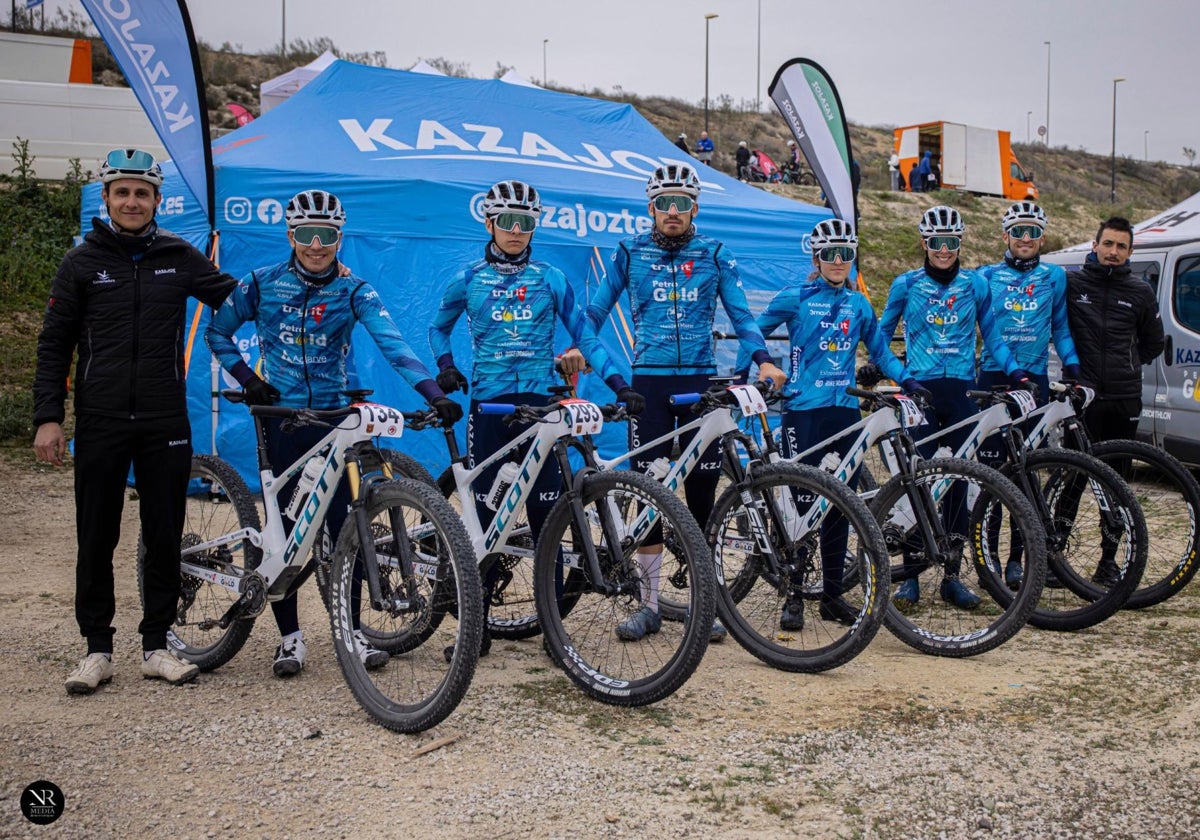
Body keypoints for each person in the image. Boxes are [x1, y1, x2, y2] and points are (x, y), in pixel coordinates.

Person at [205, 189, 462, 677]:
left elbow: (394, 345)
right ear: (291, 235)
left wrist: (433, 393)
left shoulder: (354, 289)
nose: (317, 245)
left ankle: (354, 633)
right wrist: (250, 380)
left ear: (340, 237)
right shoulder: (261, 283)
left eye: (327, 235)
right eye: (306, 235)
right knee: (283, 533)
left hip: (331, 420)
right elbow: (216, 333)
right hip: (279, 419)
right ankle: (290, 639)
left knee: (347, 530)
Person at [34, 148, 238, 694]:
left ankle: (156, 646)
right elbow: (54, 344)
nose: (131, 201)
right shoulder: (81, 262)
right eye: (121, 192)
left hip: (163, 417)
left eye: (141, 193)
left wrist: (307, 278)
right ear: (106, 199)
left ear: (156, 201)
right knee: (96, 536)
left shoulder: (179, 254)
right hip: (100, 419)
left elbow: (235, 298)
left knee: (165, 533)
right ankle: (96, 649)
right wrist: (48, 417)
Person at [430, 179, 644, 660]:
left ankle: (552, 630)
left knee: (548, 518)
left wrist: (619, 384)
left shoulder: (551, 277)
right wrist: (446, 366)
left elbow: (586, 336)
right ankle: (475, 628)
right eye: (507, 221)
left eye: (525, 222)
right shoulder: (468, 278)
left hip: (541, 411)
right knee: (486, 521)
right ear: (489, 222)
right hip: (490, 410)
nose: (516, 231)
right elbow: (436, 326)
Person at [586, 164, 787, 642]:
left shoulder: (715, 254)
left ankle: (703, 604)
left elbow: (742, 315)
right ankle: (650, 605)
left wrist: (763, 358)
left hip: (699, 386)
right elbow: (592, 312)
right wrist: (582, 350)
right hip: (648, 388)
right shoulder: (629, 252)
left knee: (701, 496)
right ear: (650, 207)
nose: (672, 212)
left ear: (695, 208)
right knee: (648, 496)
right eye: (663, 203)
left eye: (681, 203)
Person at [735, 219, 927, 630]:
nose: (838, 261)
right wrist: (749, 373)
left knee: (840, 505)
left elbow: (880, 351)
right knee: (802, 505)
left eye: (846, 254)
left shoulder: (859, 303)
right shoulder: (797, 296)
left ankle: (833, 594)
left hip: (844, 413)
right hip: (802, 413)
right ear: (816, 257)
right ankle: (794, 595)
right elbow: (751, 331)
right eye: (830, 254)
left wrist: (907, 380)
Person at [879, 205, 1032, 610]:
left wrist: (1016, 373)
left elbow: (994, 339)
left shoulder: (975, 284)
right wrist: (903, 379)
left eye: (951, 243)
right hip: (920, 393)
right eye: (936, 243)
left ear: (960, 242)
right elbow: (878, 340)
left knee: (961, 483)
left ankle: (952, 575)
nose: (943, 250)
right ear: (924, 243)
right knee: (918, 482)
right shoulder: (906, 284)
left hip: (962, 392)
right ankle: (910, 577)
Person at [976, 201, 1082, 589]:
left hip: (1033, 383)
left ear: (1042, 237)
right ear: (1005, 235)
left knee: (1026, 476)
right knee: (988, 477)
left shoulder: (1054, 277)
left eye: (1033, 232)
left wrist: (1073, 367)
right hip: (992, 380)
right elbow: (975, 328)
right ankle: (985, 558)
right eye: (1018, 230)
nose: (1025, 238)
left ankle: (1015, 561)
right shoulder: (985, 276)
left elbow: (1061, 328)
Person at [1067, 216, 1164, 443]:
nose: (1113, 251)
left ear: (1130, 252)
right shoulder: (1072, 283)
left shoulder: (1142, 291)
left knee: (1117, 473)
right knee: (1074, 471)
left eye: (1121, 246)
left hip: (1124, 397)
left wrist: (1127, 361)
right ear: (1095, 245)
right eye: (1108, 244)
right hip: (1081, 392)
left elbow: (1155, 342)